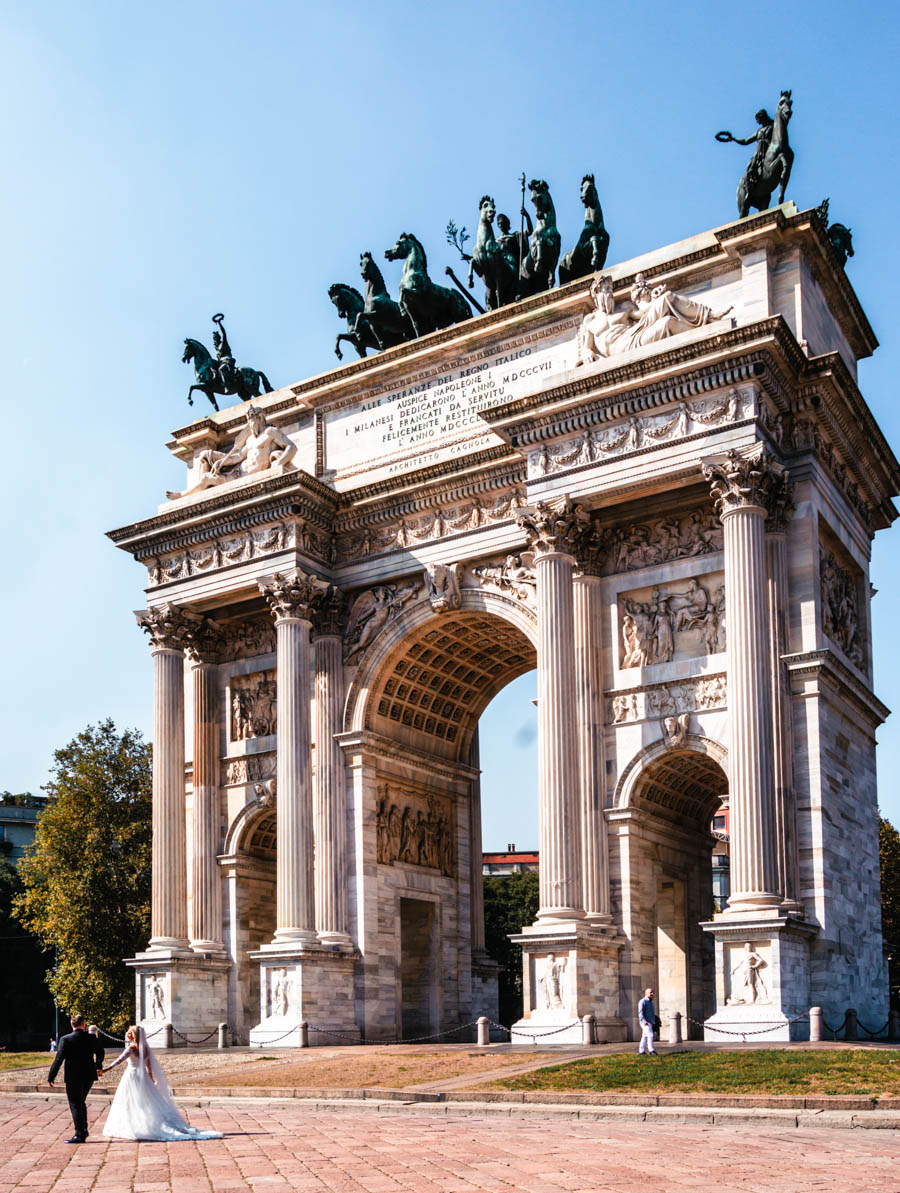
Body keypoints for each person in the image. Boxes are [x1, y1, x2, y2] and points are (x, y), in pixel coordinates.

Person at [102, 1025, 222, 1141]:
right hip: (142, 1076)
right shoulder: (146, 1049)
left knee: (130, 1101)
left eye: (129, 1033)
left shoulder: (131, 1048)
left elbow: (119, 1061)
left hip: (131, 1076)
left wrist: (106, 1069)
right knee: (147, 1101)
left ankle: (134, 1124)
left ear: (134, 1036)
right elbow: (149, 1067)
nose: (128, 1035)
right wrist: (151, 1079)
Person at [48, 1013, 105, 1143]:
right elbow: (100, 1051)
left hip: (73, 1076)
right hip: (89, 1075)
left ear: (72, 1025)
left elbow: (59, 1059)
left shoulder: (65, 1039)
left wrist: (52, 1076)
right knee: (81, 1102)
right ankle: (83, 1130)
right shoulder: (91, 1038)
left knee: (75, 1104)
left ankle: (79, 1133)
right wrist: (98, 1065)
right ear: (84, 1024)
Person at [637, 987, 658, 1055]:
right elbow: (640, 1012)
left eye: (652, 992)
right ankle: (651, 1050)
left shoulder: (650, 1002)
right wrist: (643, 1021)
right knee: (650, 1035)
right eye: (650, 992)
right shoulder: (642, 1001)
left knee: (644, 1036)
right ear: (646, 993)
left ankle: (641, 1051)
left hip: (650, 1022)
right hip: (645, 1022)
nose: (652, 994)